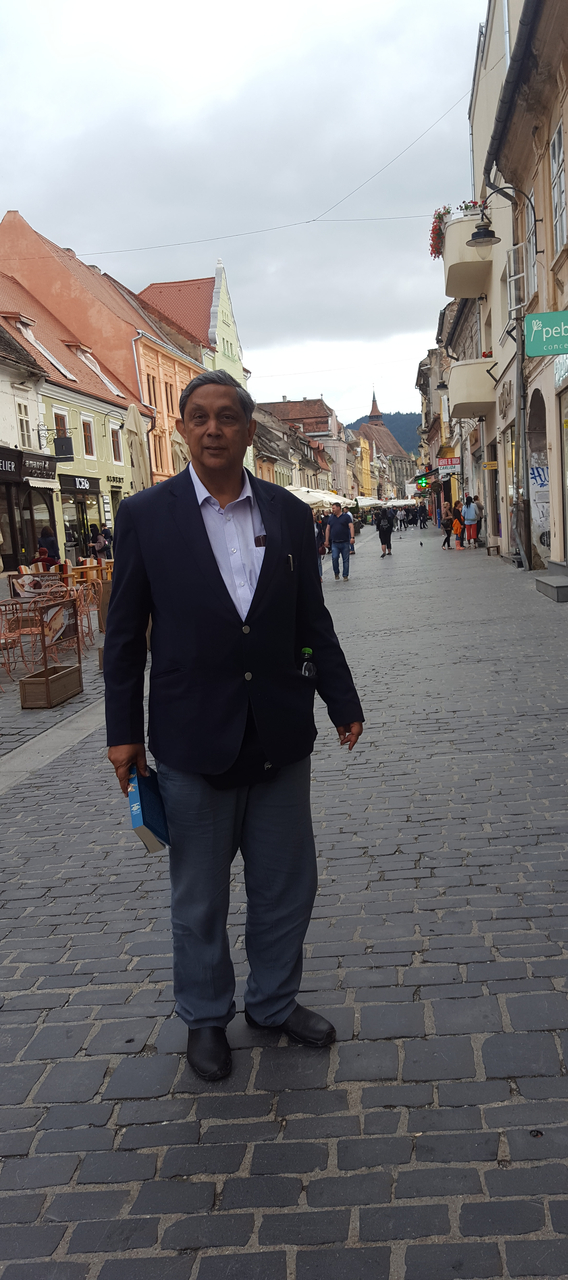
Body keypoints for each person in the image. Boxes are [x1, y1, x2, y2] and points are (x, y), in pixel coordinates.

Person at [104, 369, 364, 1083]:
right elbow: (124, 636)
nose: (213, 428)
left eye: (227, 416)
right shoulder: (146, 516)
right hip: (193, 739)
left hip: (279, 731)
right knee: (200, 897)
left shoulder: (284, 512)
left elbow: (311, 619)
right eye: (199, 417)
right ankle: (205, 1017)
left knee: (287, 885)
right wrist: (121, 731)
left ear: (250, 431)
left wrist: (342, 702)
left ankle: (274, 1004)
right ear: (183, 429)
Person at [324, 501, 355, 581]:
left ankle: (345, 575)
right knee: (334, 558)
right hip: (334, 543)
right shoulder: (331, 518)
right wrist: (326, 540)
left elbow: (351, 526)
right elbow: (328, 529)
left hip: (345, 542)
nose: (332, 510)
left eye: (333, 508)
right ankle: (336, 572)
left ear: (338, 508)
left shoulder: (346, 517)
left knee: (346, 560)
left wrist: (352, 537)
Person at [314, 511, 325, 578]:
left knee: (318, 562)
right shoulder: (307, 525)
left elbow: (321, 535)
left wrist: (322, 542)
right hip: (310, 546)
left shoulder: (318, 525)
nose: (313, 517)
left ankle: (319, 576)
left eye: (314, 515)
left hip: (317, 544)